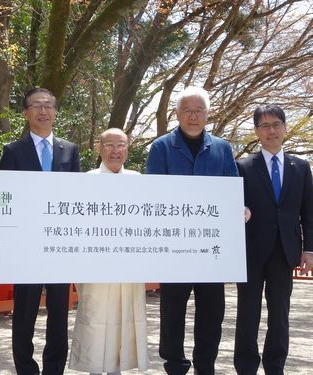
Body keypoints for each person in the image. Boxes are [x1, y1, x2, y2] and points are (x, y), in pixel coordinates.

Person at [146, 86, 239, 375]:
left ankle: (205, 366)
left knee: (212, 312)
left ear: (208, 115)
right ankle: (175, 365)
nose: (193, 116)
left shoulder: (222, 148)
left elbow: (232, 191)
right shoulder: (161, 147)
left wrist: (240, 209)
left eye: (199, 110)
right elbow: (152, 194)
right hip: (175, 247)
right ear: (177, 114)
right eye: (187, 110)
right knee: (172, 311)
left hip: (211, 249)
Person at [0, 87, 80, 375]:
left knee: (59, 313)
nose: (43, 111)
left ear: (56, 112)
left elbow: (76, 198)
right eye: (37, 106)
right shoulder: (12, 151)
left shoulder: (69, 150)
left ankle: (54, 368)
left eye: (48, 106)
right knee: (25, 313)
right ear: (26, 113)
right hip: (26, 246)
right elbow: (6, 198)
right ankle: (25, 369)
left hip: (59, 245)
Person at [234, 105, 312, 375]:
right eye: (265, 126)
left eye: (276, 124)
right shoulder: (243, 166)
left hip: (285, 250)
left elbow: (308, 212)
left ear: (285, 127)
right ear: (256, 132)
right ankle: (245, 366)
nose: (271, 130)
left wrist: (309, 250)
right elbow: (234, 207)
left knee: (279, 314)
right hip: (250, 251)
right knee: (248, 313)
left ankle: (275, 365)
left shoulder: (301, 167)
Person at [69, 128, 149, 375]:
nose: (116, 151)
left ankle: (117, 369)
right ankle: (94, 369)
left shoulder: (138, 180)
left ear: (127, 148)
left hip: (129, 263)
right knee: (95, 317)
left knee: (125, 316)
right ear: (99, 149)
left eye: (121, 145)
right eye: (110, 146)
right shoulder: (87, 180)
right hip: (95, 263)